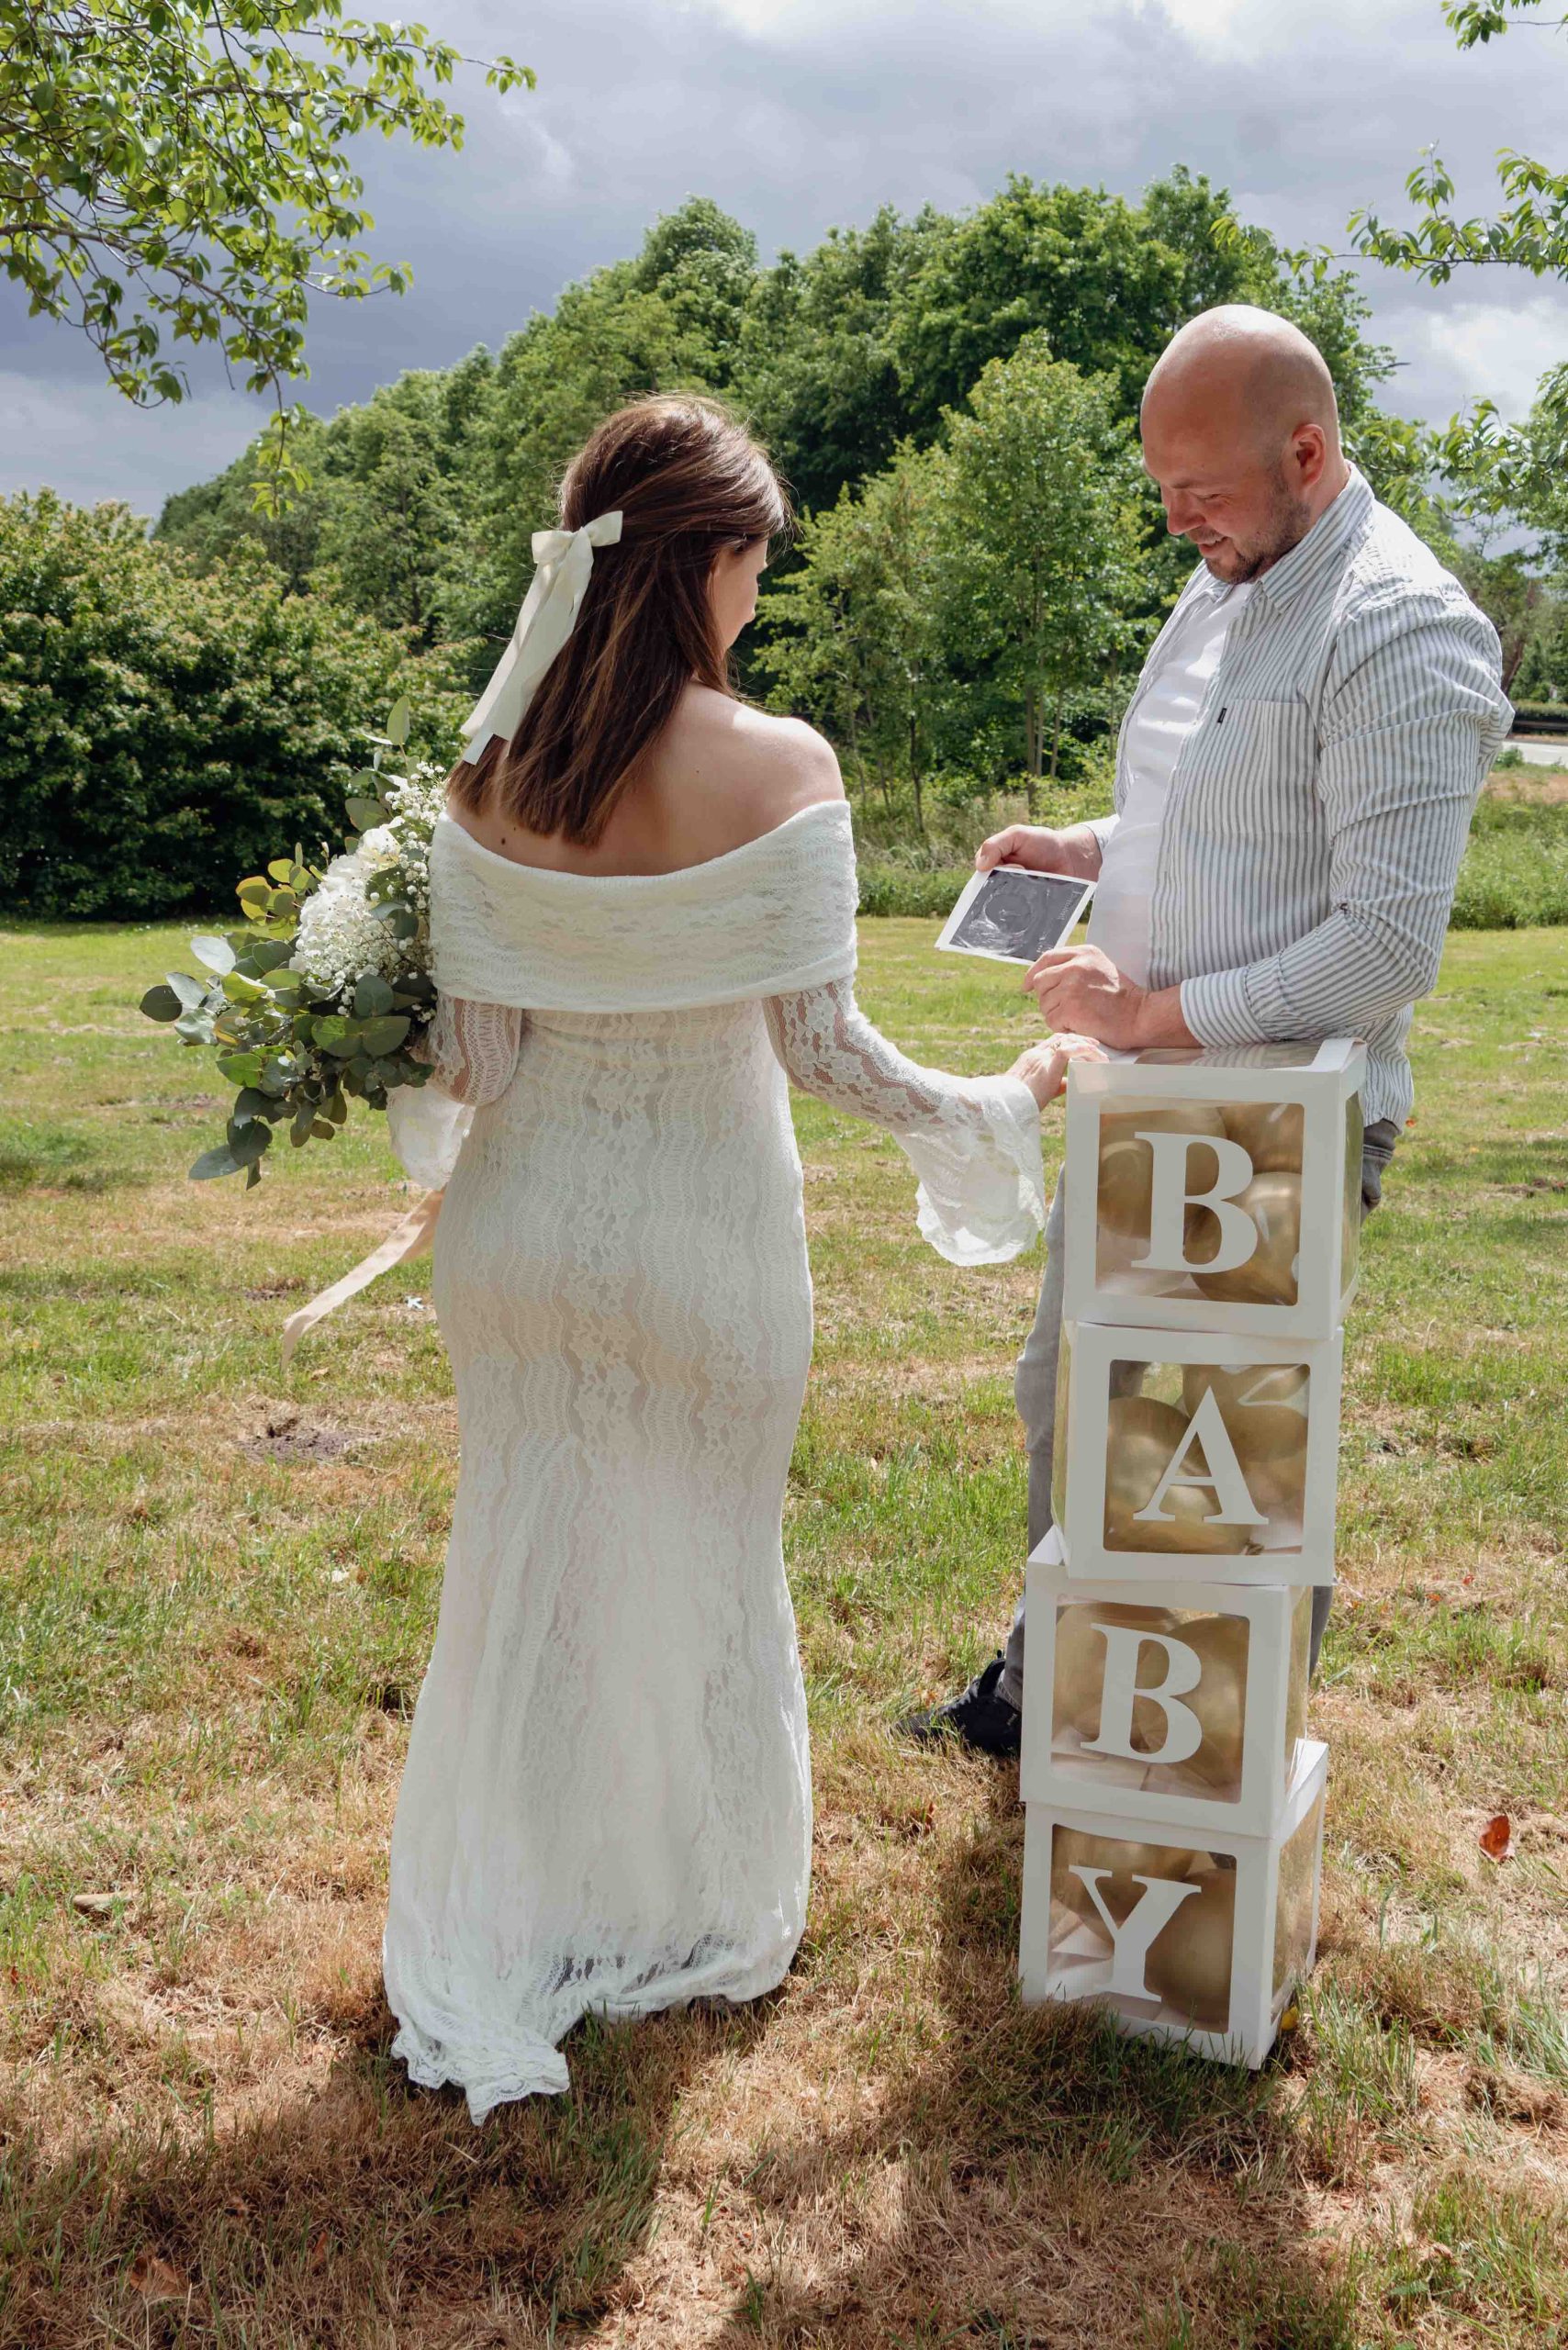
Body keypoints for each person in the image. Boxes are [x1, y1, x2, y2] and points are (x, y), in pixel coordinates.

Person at [378, 394, 1095, 2118]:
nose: (761, 594)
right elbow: (824, 1050)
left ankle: (525, 1905)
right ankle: (683, 1907)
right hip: (701, 1236)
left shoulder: (489, 774)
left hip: (521, 1244)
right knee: (696, 1564)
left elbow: (470, 1060)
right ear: (705, 559)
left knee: (531, 1576)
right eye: (758, 561)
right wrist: (1003, 1100)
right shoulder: (782, 766)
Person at [902, 304, 1512, 1759]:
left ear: (1306, 452)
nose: (1177, 521)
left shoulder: (1402, 627)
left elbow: (1383, 947)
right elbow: (1213, 817)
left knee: (1236, 1434)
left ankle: (1222, 1744)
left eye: (1201, 490)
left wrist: (1152, 1012)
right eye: (1162, 488)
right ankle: (1057, 1688)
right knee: (1073, 1392)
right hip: (1147, 1096)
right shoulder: (1229, 574)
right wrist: (1085, 849)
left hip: (1275, 1119)